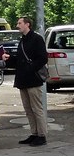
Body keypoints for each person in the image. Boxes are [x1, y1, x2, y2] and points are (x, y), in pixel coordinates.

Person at [14, 16, 48, 146]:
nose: (17, 25)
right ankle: (34, 133)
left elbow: (43, 58)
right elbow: (19, 60)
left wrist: (30, 68)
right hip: (23, 80)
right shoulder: (22, 40)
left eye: (20, 23)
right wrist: (8, 59)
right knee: (28, 109)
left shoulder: (36, 39)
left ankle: (42, 135)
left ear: (27, 24)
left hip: (33, 80)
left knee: (37, 109)